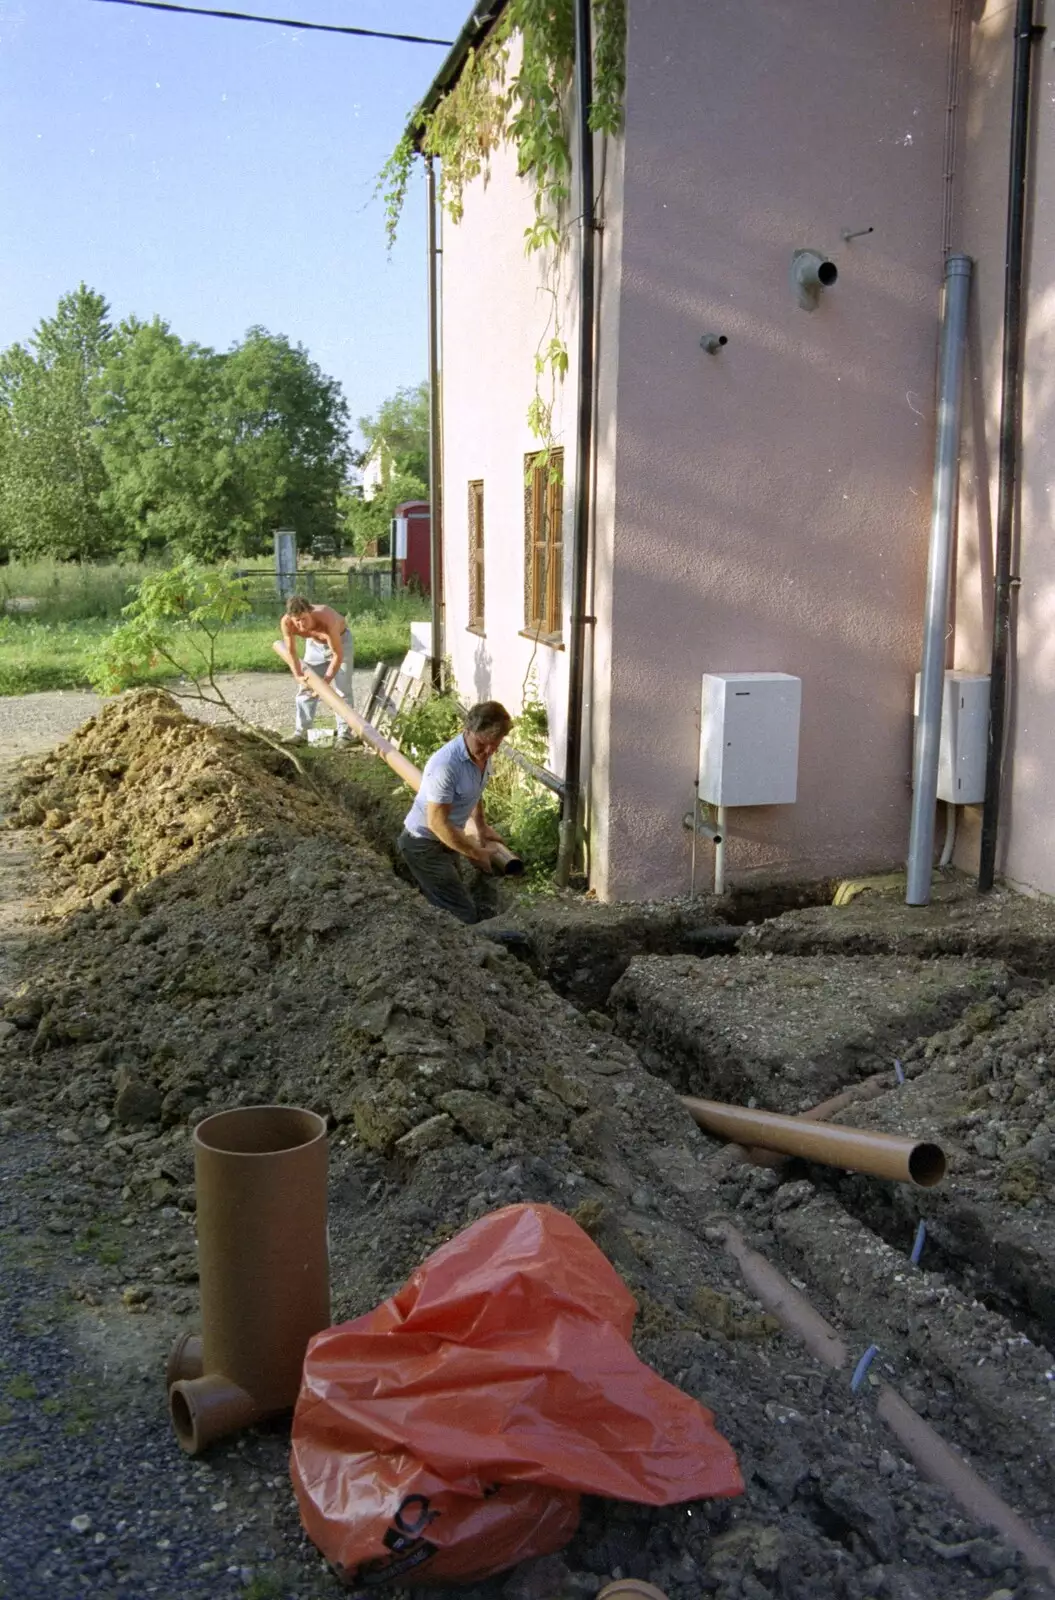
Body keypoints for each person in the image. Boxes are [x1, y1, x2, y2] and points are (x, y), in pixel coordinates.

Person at [398, 701, 513, 925]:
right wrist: (475, 853)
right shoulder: (446, 765)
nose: (488, 752)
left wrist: (481, 826)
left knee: (453, 897)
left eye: (495, 745)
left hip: (448, 839)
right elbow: (437, 823)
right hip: (423, 844)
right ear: (467, 731)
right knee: (461, 913)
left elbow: (475, 790)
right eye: (483, 743)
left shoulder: (481, 755)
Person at [279, 595, 354, 745]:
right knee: (306, 688)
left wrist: (326, 681)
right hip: (314, 646)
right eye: (297, 620)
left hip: (340, 643)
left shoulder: (327, 620)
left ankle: (344, 735)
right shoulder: (287, 622)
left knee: (342, 690)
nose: (301, 624)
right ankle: (302, 733)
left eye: (304, 619)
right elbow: (292, 652)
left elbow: (337, 655)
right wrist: (298, 675)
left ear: (310, 612)